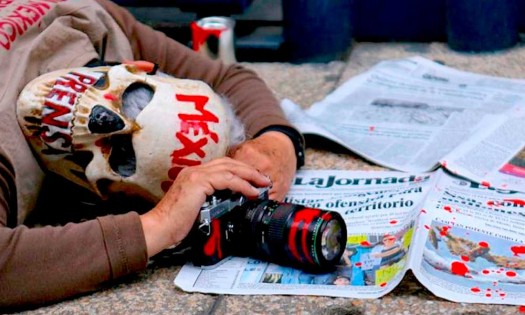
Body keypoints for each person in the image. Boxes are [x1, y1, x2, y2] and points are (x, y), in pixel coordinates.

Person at [0, 0, 304, 309]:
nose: (102, 121)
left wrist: (275, 145)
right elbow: (228, 78)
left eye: (122, 155)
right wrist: (160, 225)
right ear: (139, 67)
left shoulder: (91, 24)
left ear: (108, 193)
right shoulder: (94, 21)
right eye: (135, 98)